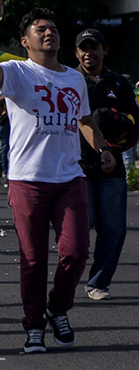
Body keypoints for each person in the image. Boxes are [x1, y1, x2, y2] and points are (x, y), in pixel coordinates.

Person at [0, 0, 114, 354]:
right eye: (41, 29)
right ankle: (34, 325)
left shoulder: (73, 78)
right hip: (28, 181)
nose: (49, 33)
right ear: (25, 41)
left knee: (77, 250)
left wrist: (102, 149)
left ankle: (57, 307)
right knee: (33, 260)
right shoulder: (17, 72)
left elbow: (83, 120)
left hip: (69, 179)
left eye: (52, 28)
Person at [73, 28, 139, 300]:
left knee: (113, 229)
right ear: (77, 53)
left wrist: (120, 142)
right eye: (83, 48)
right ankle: (69, 270)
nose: (89, 53)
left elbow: (135, 123)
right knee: (83, 223)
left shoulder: (119, 83)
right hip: (76, 167)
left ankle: (98, 282)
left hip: (112, 166)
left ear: (104, 50)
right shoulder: (69, 79)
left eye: (94, 47)